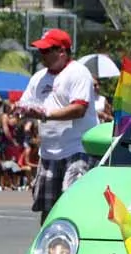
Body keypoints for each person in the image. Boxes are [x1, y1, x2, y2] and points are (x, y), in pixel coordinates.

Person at [16, 29, 98, 223]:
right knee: (48, 209)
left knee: (73, 204)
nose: (41, 54)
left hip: (77, 149)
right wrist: (20, 110)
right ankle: (49, 240)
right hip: (49, 152)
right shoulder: (38, 78)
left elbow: (79, 109)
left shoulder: (78, 72)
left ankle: (75, 240)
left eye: (46, 50)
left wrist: (46, 114)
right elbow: (25, 104)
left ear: (62, 51)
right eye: (40, 50)